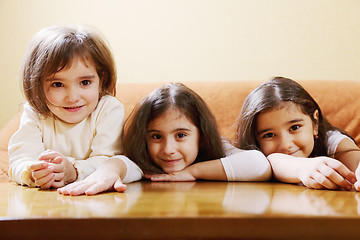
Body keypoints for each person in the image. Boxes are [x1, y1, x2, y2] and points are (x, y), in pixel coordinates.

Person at [58, 83, 271, 196]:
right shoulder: (149, 165)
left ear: (201, 134)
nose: (168, 149)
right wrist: (108, 171)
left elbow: (259, 165)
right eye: (156, 137)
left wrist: (192, 171)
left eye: (181, 135)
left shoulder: (217, 150)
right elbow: (123, 163)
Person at [8, 25, 124, 189]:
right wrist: (33, 173)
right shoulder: (35, 113)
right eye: (58, 84)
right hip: (45, 206)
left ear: (102, 80)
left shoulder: (108, 109)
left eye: (85, 82)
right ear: (38, 85)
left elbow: (111, 161)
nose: (73, 97)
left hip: (95, 201)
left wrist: (74, 171)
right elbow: (19, 159)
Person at [235, 76, 360, 190]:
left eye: (294, 127)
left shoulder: (332, 141)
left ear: (315, 123)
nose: (285, 144)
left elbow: (355, 161)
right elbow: (272, 161)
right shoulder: (252, 159)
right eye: (269, 135)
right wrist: (302, 167)